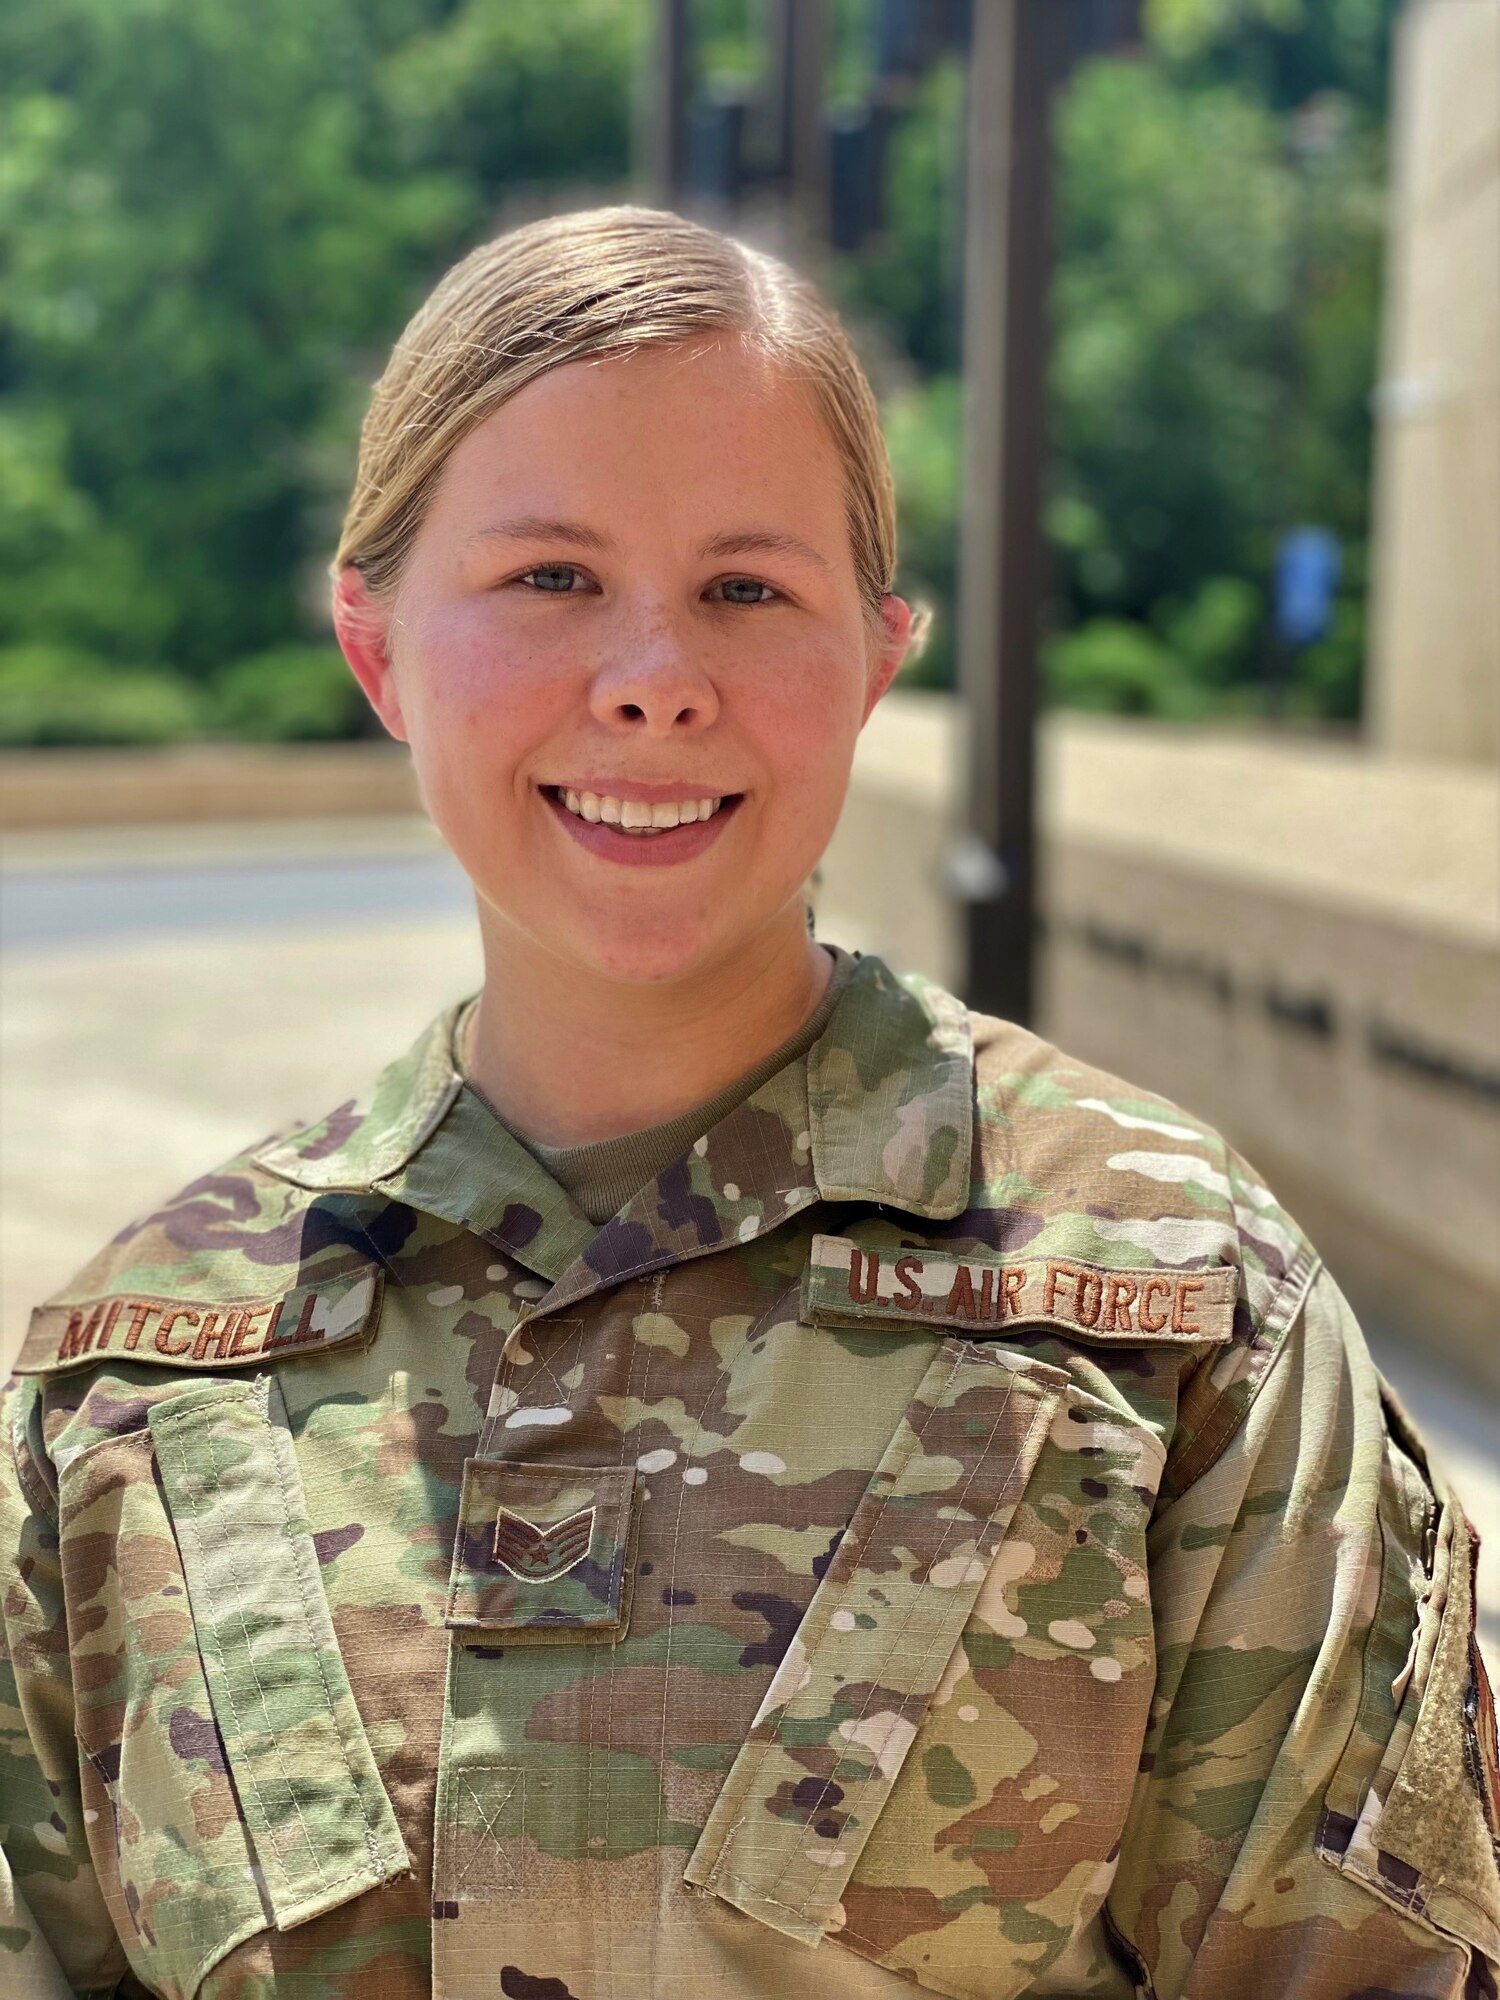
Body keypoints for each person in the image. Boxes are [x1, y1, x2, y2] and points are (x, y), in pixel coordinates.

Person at [1, 205, 1496, 2000]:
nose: (653, 676)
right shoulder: (141, 1376)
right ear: (376, 644)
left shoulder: (1172, 1301)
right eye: (550, 578)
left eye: (746, 589)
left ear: (876, 656)